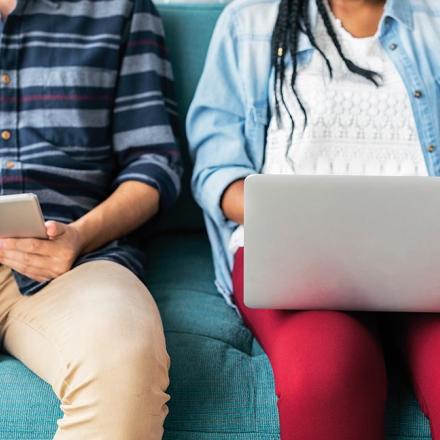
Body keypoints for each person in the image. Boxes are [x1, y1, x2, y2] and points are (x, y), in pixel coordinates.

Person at [187, 0, 440, 438]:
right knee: (325, 377)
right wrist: (290, 213)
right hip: (297, 257)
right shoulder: (247, 23)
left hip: (427, 255)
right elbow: (216, 172)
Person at [0, 0, 181, 438]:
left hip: (72, 260)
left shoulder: (122, 9)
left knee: (123, 360)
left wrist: (79, 236)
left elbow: (154, 164)